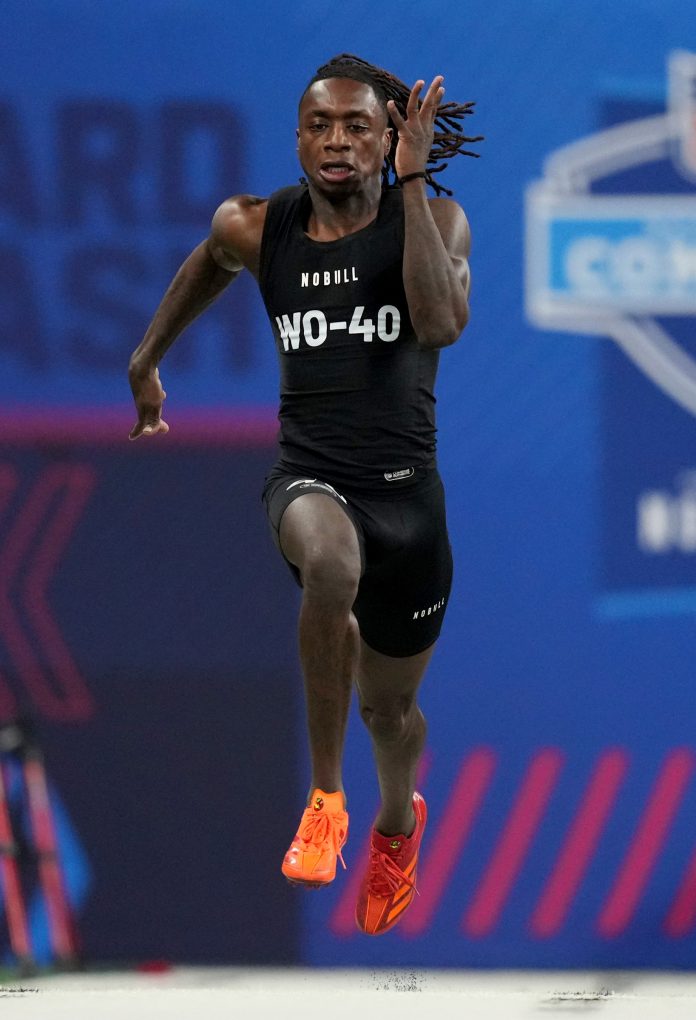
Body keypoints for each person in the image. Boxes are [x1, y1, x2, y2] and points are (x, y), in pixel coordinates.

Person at [128, 54, 480, 936]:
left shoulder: (436, 218)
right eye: (319, 124)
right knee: (328, 563)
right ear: (295, 137)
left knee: (391, 711)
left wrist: (407, 186)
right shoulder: (258, 226)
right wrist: (148, 359)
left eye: (357, 126)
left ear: (391, 137)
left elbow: (440, 325)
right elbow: (210, 259)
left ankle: (396, 822)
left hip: (410, 509)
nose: (335, 140)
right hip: (311, 480)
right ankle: (326, 800)